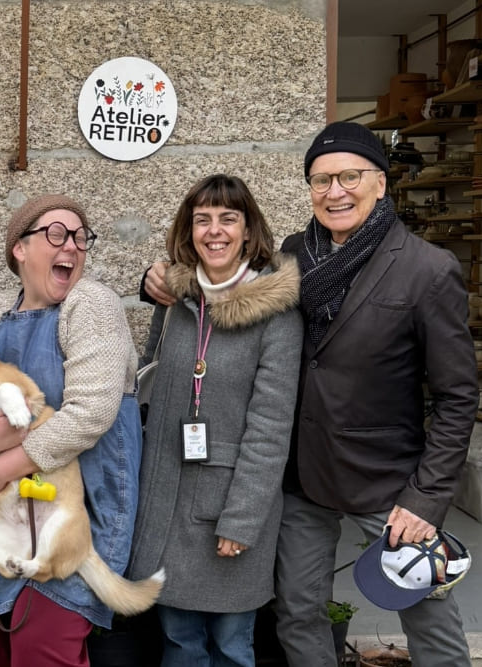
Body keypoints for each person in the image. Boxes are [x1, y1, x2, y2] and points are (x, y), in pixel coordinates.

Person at [144, 123, 478, 667]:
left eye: (350, 176)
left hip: (389, 479)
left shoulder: (427, 269)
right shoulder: (294, 256)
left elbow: (458, 396)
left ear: (380, 184)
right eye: (321, 180)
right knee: (299, 611)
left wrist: (427, 497)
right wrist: (157, 280)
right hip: (304, 475)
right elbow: (224, 281)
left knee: (425, 609)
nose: (335, 191)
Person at [0, 194, 143, 667]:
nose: (71, 246)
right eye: (56, 234)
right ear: (20, 248)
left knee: (42, 652)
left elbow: (91, 413)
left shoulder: (91, 304)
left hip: (72, 512)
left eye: (79, 237)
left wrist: (1, 464)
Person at [126, 174, 302, 667]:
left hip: (228, 511)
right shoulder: (178, 300)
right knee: (179, 643)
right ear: (189, 230)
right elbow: (149, 383)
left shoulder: (278, 314)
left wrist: (242, 520)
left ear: (249, 231)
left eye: (228, 218)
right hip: (166, 508)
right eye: (202, 219)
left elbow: (270, 429)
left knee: (230, 646)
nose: (215, 230)